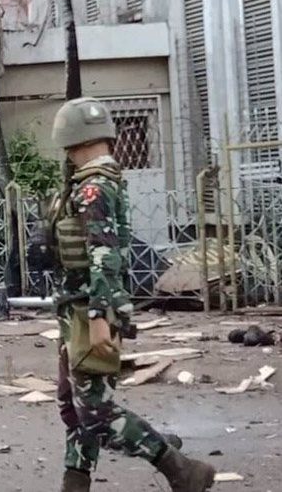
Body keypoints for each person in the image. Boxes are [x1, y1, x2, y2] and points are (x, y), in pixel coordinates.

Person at [49, 98, 216, 492]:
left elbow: (103, 255)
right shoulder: (92, 183)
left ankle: (180, 469)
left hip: (89, 310)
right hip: (77, 309)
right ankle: (75, 481)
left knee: (96, 413)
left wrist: (99, 318)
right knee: (74, 406)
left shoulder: (94, 188)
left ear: (73, 140)